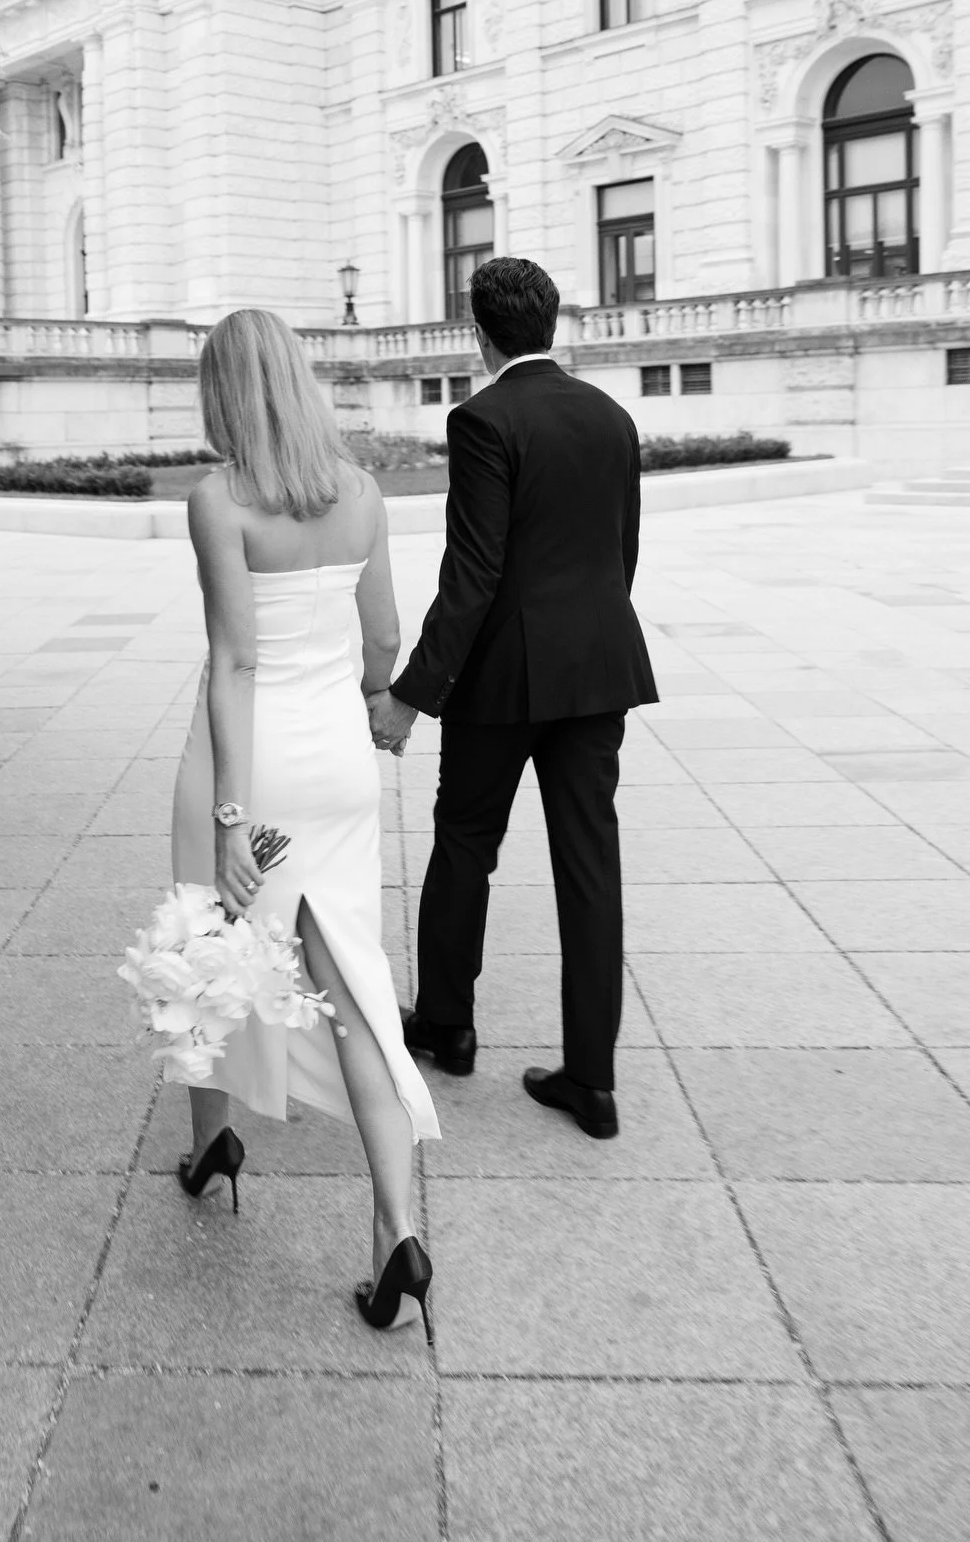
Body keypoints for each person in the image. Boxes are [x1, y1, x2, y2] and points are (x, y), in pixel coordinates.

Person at [172, 308, 440, 1340]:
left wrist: (234, 814)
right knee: (352, 982)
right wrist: (371, 696)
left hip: (255, 766)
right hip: (338, 763)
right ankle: (396, 1230)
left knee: (208, 944)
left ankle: (212, 1144)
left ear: (225, 394)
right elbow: (383, 643)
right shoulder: (365, 494)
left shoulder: (220, 499)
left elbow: (234, 663)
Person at [369, 257, 657, 1140]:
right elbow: (623, 551)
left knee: (464, 843)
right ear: (553, 323)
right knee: (589, 865)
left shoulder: (482, 417)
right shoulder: (612, 414)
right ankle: (592, 1081)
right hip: (599, 671)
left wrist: (412, 694)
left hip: (504, 680)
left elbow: (474, 572)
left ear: (479, 333)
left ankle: (449, 1026)